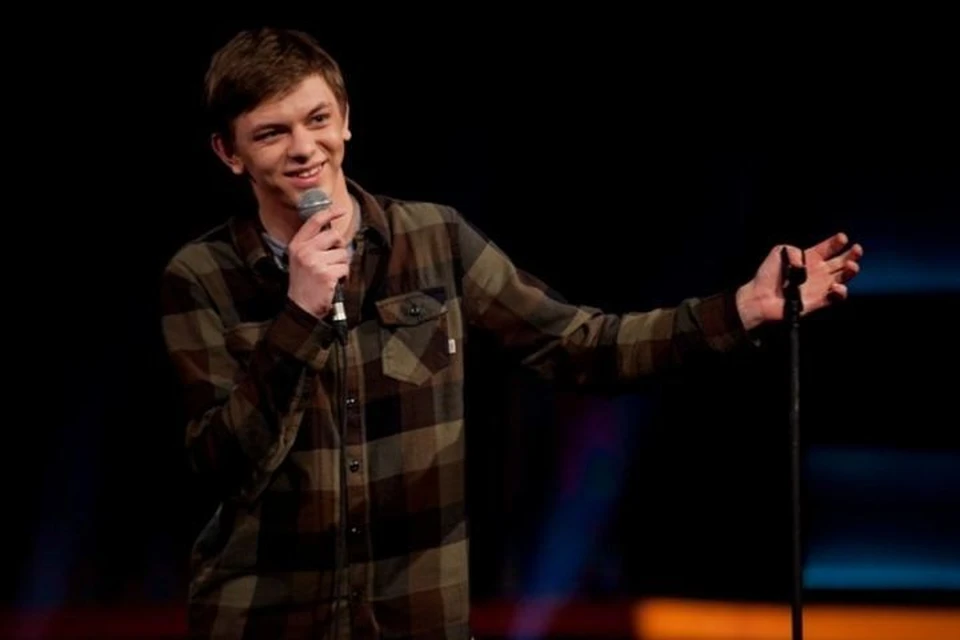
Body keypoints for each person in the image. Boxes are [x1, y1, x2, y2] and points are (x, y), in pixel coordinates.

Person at [159, 26, 863, 640]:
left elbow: (579, 346)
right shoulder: (201, 276)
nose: (303, 148)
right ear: (230, 153)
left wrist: (741, 308)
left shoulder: (434, 240)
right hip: (265, 621)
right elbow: (223, 464)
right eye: (272, 133)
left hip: (414, 619)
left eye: (317, 119)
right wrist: (299, 316)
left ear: (346, 121)